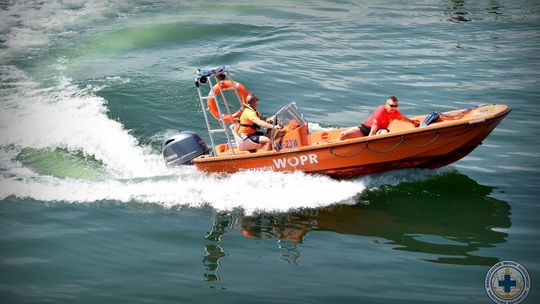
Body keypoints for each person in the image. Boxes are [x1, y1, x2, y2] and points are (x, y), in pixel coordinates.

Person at [339, 96, 419, 140]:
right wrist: (367, 142)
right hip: (366, 128)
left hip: (380, 130)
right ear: (386, 104)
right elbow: (373, 130)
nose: (394, 108)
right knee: (343, 134)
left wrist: (413, 122)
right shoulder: (381, 110)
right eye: (391, 106)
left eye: (396, 106)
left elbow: (402, 118)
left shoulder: (396, 112)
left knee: (384, 134)